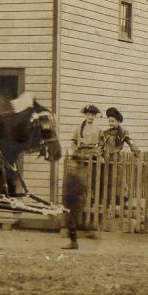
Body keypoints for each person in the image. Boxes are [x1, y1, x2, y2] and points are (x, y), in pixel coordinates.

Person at [62, 104, 102, 249]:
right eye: (88, 115)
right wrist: (74, 150)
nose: (90, 117)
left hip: (90, 158)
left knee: (89, 184)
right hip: (79, 156)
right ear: (85, 115)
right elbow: (73, 142)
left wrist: (94, 153)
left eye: (92, 115)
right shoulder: (79, 128)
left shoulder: (97, 130)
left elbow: (99, 146)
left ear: (95, 116)